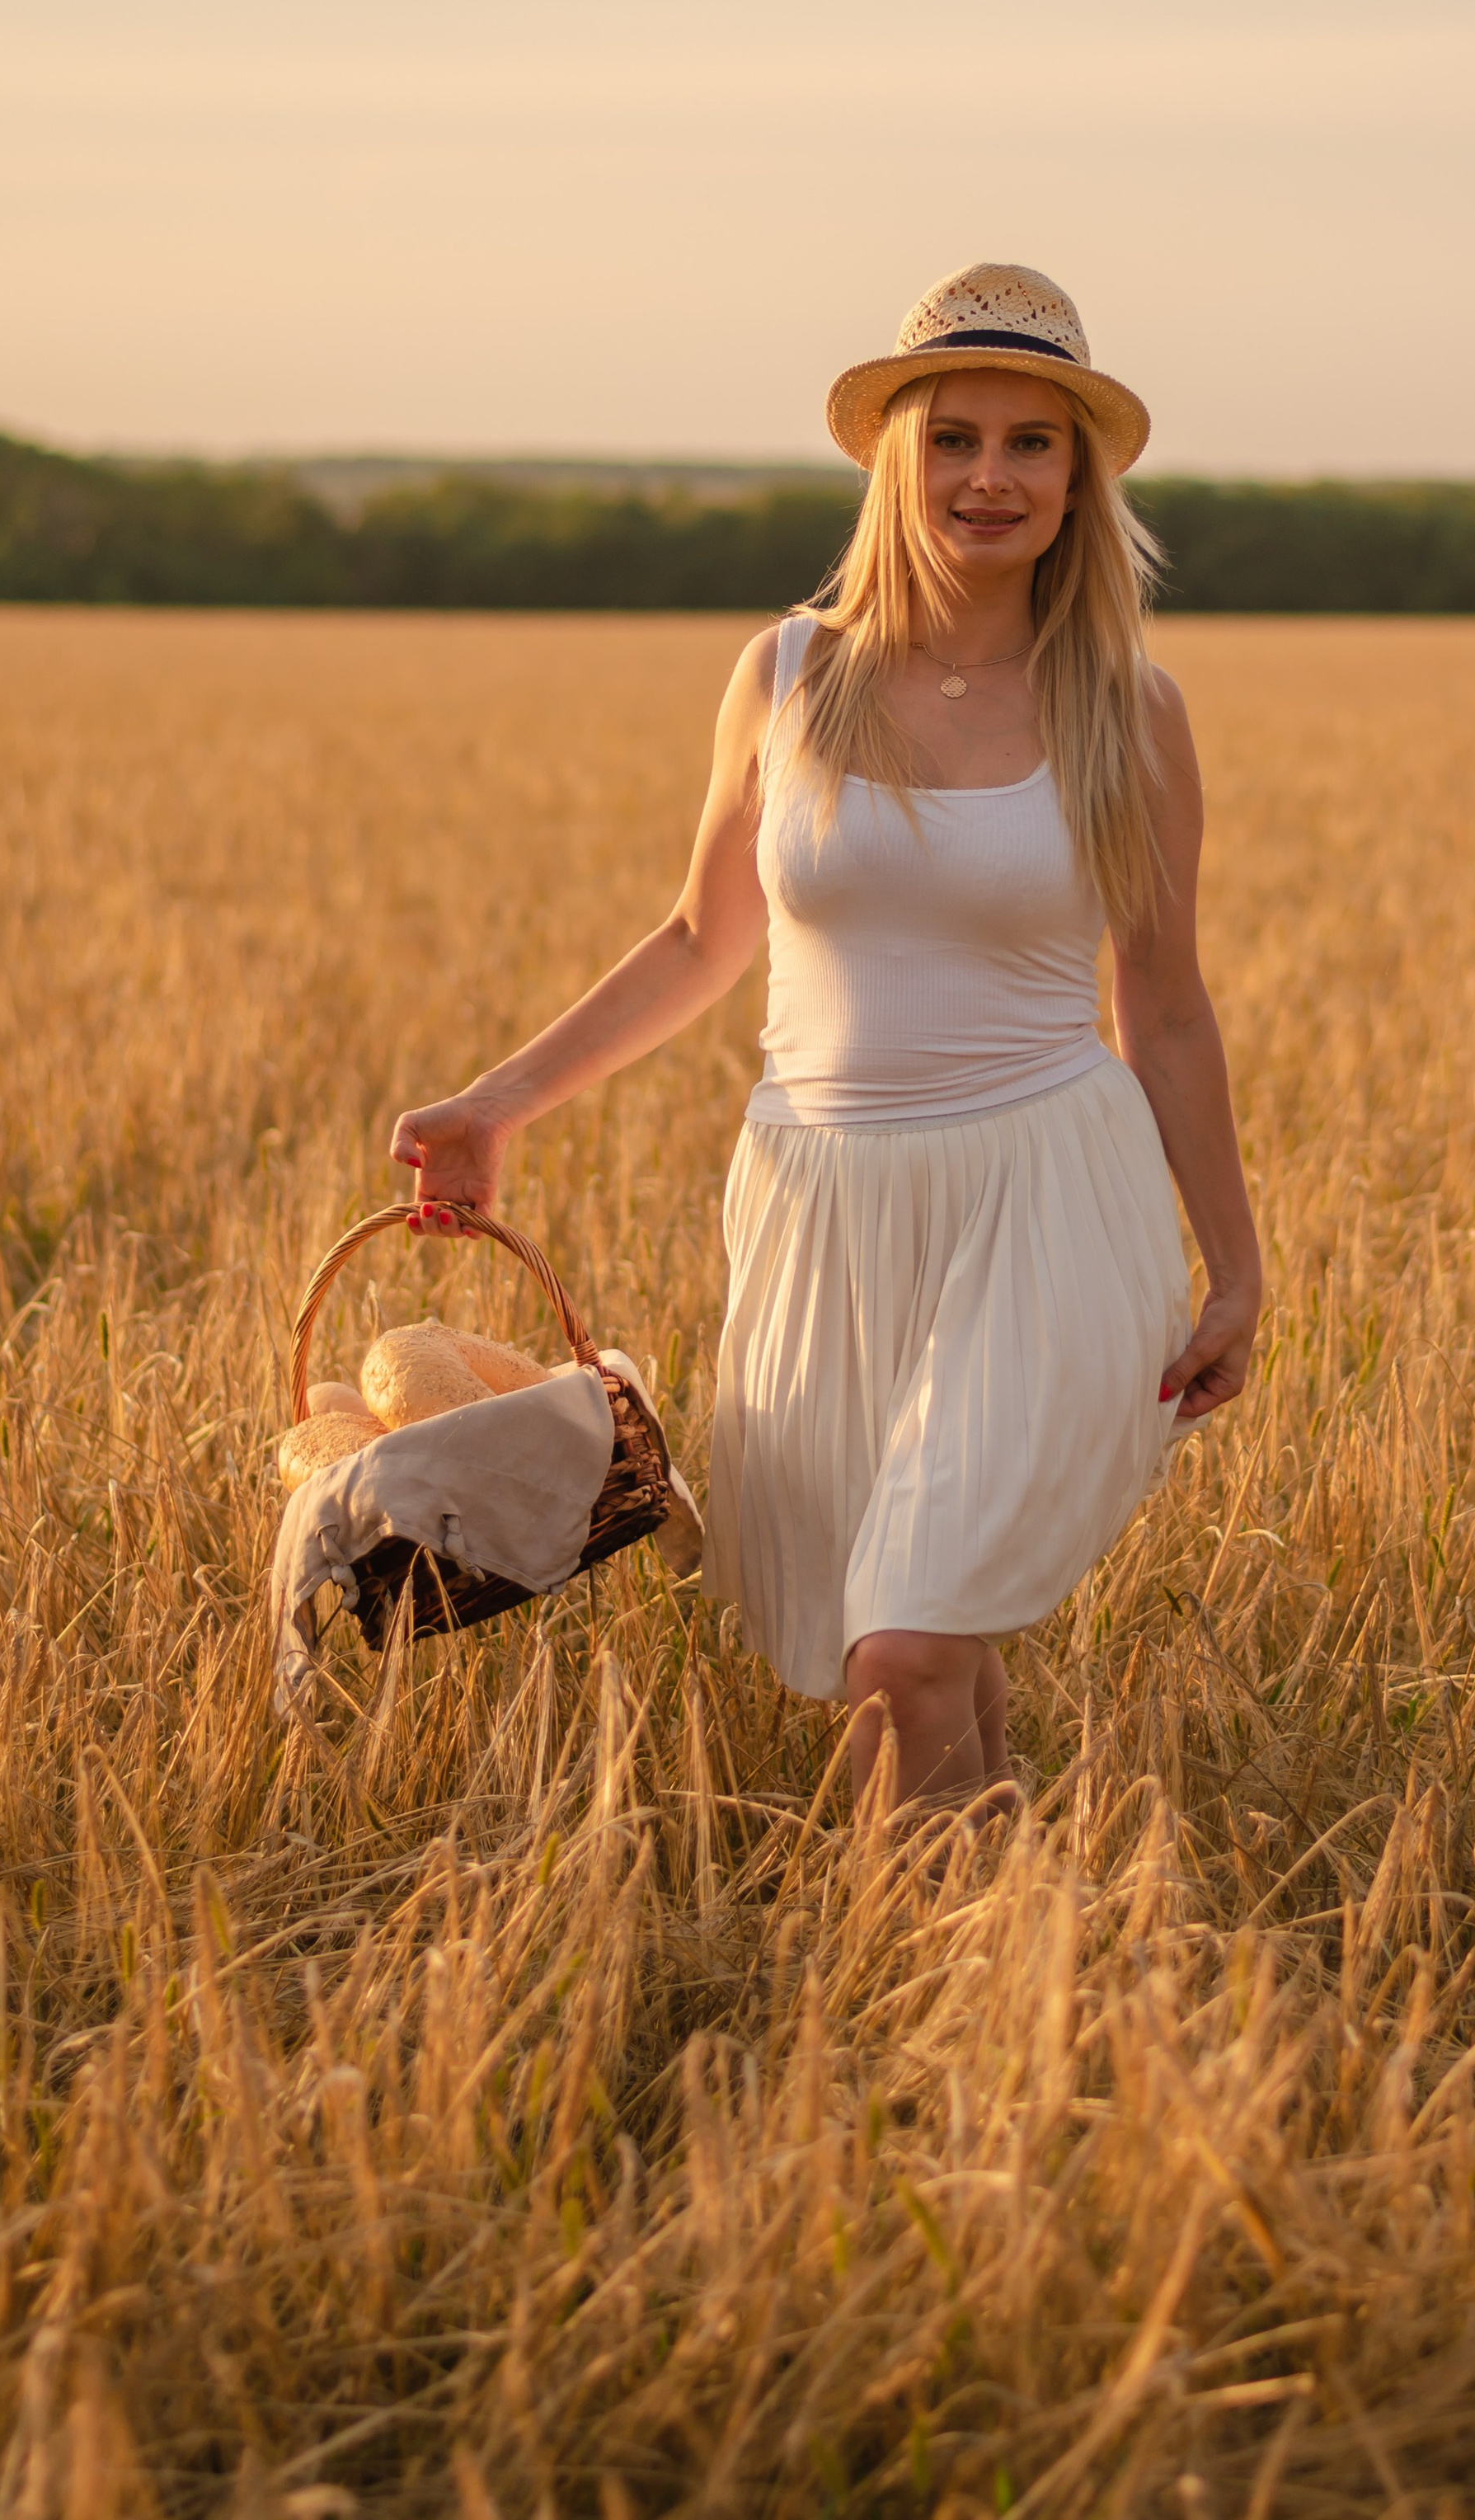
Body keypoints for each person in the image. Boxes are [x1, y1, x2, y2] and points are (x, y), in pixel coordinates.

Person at [389, 262, 1261, 1816]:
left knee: (906, 1644)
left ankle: (896, 1961)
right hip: (822, 1204)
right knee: (927, 1638)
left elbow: (1167, 1002)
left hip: (1046, 1197)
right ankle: (992, 1933)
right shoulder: (787, 676)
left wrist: (1239, 1267)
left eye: (1032, 443)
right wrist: (496, 1103)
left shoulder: (1132, 710)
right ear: (895, 461)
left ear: (1079, 480)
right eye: (954, 438)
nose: (990, 476)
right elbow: (699, 939)